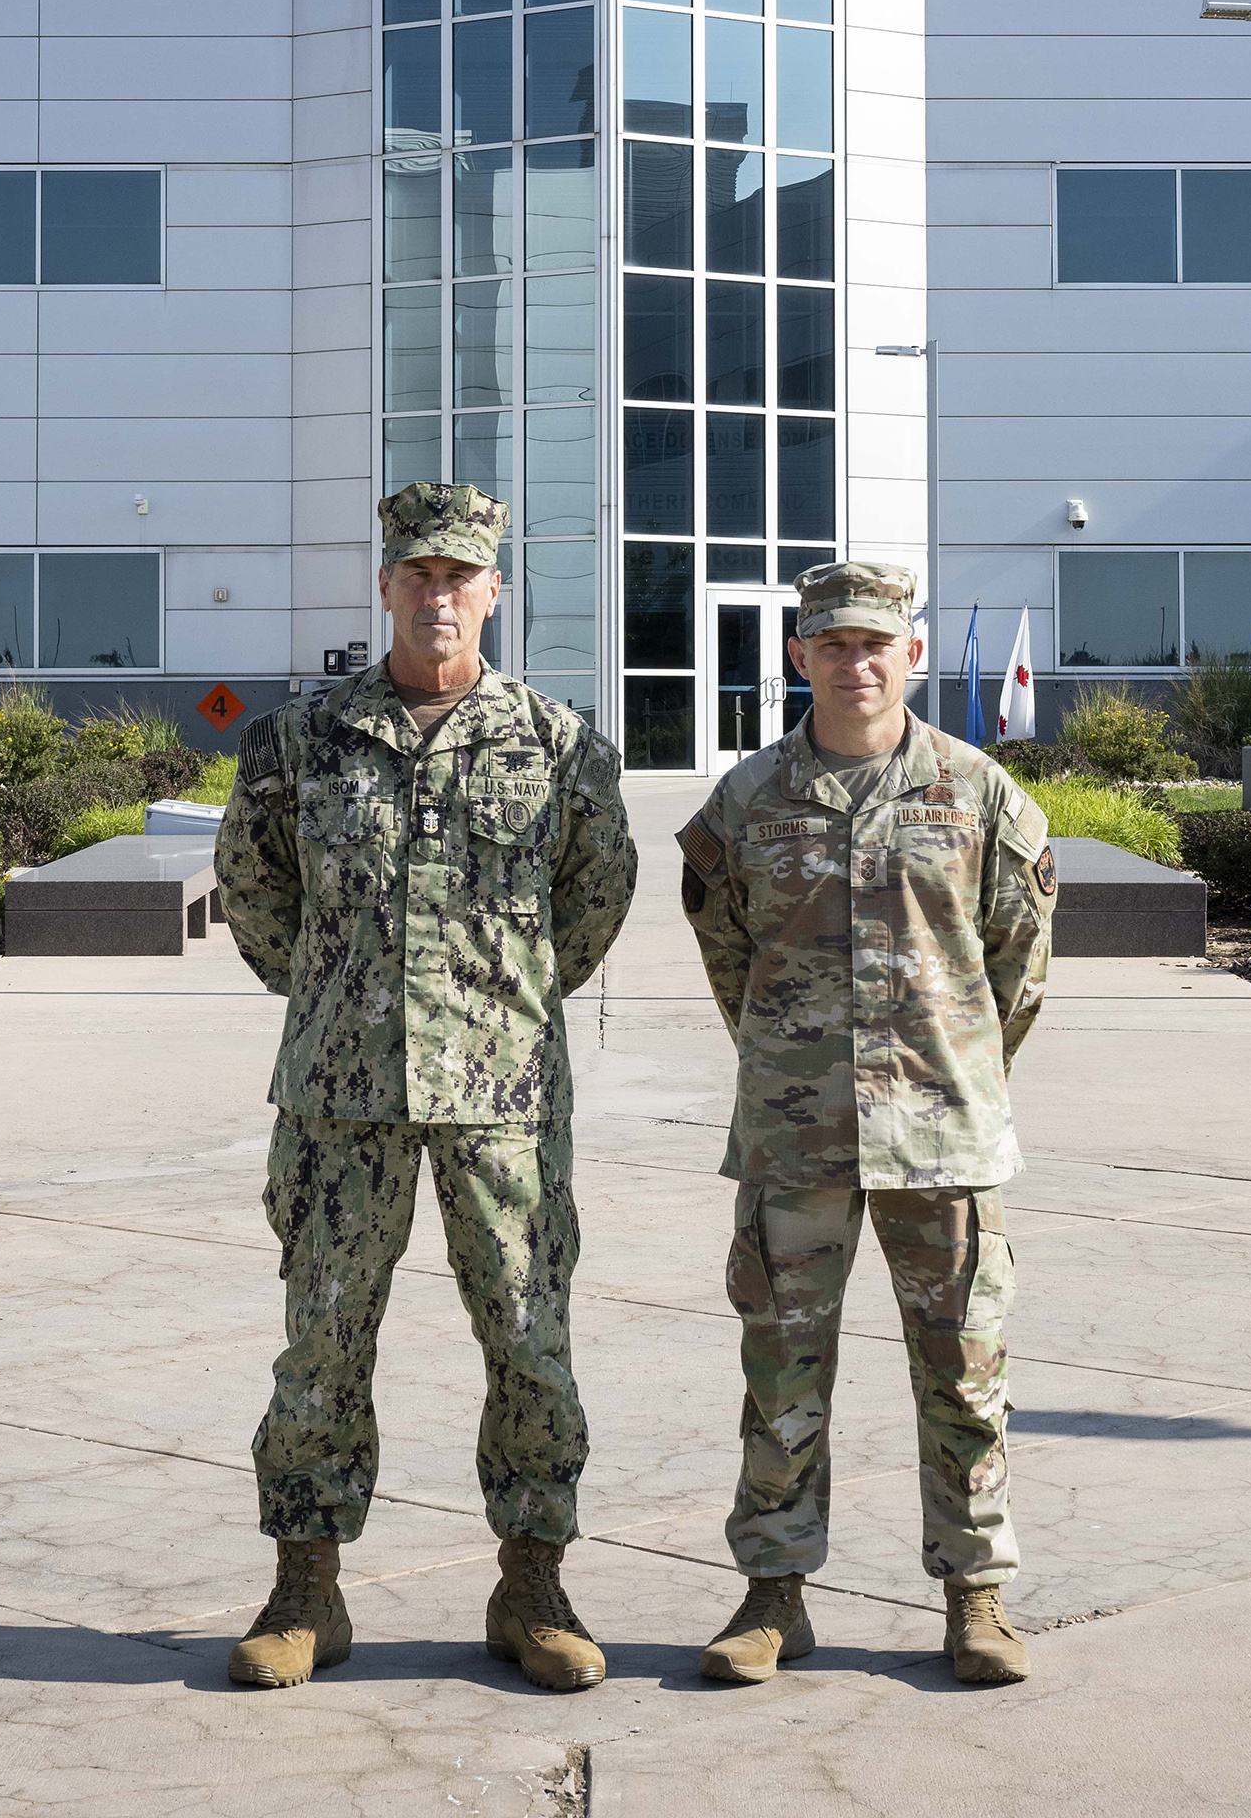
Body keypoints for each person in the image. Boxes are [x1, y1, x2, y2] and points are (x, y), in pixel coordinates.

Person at [214, 481, 639, 1693]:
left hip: (501, 1099)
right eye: (419, 574)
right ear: (387, 585)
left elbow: (592, 902)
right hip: (340, 1100)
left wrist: (497, 1001)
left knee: (529, 1341)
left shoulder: (559, 746)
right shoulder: (301, 741)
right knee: (322, 1343)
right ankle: (306, 1589)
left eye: (462, 576)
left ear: (494, 592)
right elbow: (257, 896)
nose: (439, 594)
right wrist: (343, 998)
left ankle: (532, 1584)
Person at [674, 560, 1056, 1688]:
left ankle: (976, 1597)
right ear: (799, 657)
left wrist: (952, 1076)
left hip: (944, 1140)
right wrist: (796, 1063)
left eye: (874, 643)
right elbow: (726, 957)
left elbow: (1016, 973)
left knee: (965, 1371)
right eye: (832, 644)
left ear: (912, 655)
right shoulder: (745, 806)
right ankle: (773, 1594)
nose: (855, 662)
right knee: (781, 1369)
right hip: (796, 1141)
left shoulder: (982, 796)